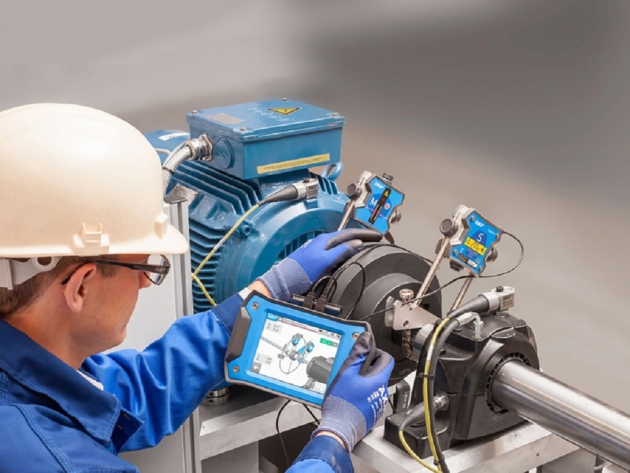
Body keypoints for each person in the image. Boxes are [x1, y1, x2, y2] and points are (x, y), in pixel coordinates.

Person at [0, 103, 394, 473]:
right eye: (145, 266)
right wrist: (331, 443)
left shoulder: (28, 372)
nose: (145, 282)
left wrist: (264, 290)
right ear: (80, 287)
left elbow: (126, 394)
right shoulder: (57, 461)